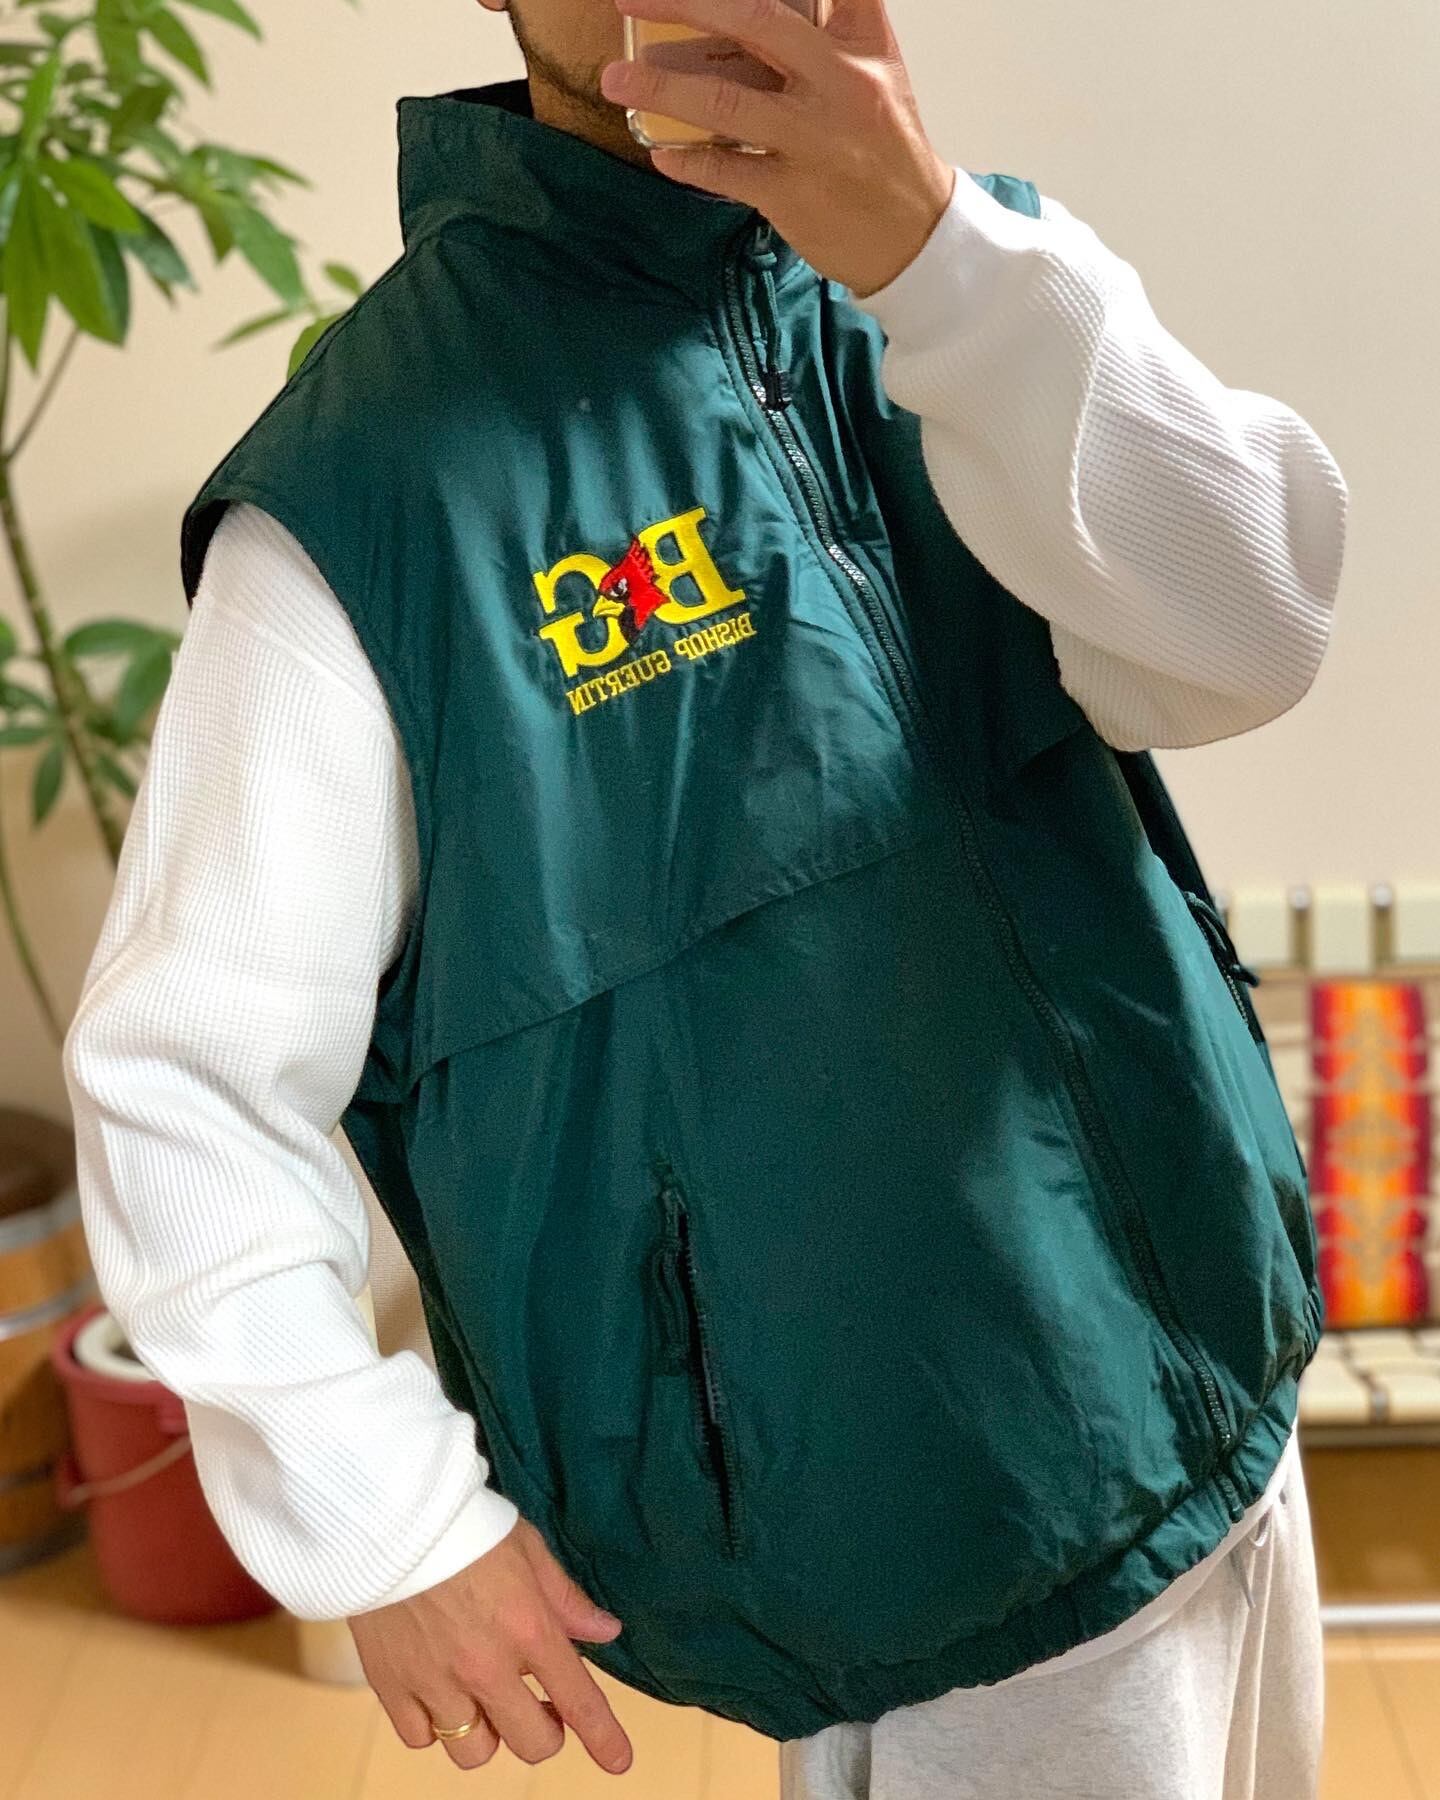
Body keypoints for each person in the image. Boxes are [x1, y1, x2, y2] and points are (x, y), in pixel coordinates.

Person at [62, 0, 1347, 1793]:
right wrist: (375, 1511)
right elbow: (184, 1066)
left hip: (1227, 1383)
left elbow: (1249, 635)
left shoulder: (985, 287)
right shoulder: (371, 491)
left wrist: (944, 266)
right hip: (913, 1558)